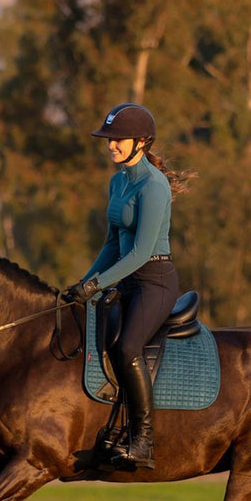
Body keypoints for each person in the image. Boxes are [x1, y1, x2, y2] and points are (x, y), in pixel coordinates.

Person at [65, 102, 187, 470]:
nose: (111, 145)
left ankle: (144, 441)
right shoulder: (117, 182)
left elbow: (139, 252)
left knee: (129, 346)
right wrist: (84, 283)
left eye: (117, 139)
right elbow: (111, 244)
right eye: (109, 139)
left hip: (155, 282)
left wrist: (99, 283)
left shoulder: (154, 186)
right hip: (126, 277)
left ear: (141, 142)